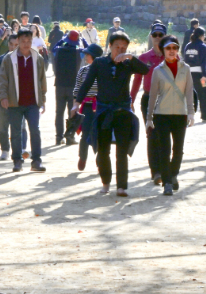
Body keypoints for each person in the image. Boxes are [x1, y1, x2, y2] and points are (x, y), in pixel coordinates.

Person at [73, 31, 148, 197]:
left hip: (122, 111)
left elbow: (145, 70)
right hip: (103, 110)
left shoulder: (128, 64)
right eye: (117, 47)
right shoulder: (99, 63)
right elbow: (86, 84)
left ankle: (121, 186)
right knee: (102, 149)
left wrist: (130, 57)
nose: (120, 50)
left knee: (122, 150)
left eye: (124, 48)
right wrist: (76, 103)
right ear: (109, 47)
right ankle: (105, 183)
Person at [146, 35, 195, 196]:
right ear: (163, 50)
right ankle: (167, 182)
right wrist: (149, 118)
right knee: (164, 149)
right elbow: (152, 96)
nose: (172, 51)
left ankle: (173, 174)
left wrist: (191, 113)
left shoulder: (185, 68)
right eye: (168, 48)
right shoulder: (158, 71)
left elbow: (189, 93)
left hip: (180, 114)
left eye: (174, 48)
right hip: (162, 115)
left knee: (178, 149)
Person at [0, 28, 48, 173]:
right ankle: (17, 160)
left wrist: (43, 99)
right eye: (23, 41)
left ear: (32, 41)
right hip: (15, 102)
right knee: (16, 132)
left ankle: (36, 161)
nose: (26, 44)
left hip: (33, 102)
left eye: (29, 41)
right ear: (18, 41)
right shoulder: (9, 58)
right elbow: (3, 79)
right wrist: (3, 97)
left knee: (35, 131)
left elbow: (42, 80)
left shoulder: (37, 58)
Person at [130, 22, 166, 184]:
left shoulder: (172, 55)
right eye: (155, 35)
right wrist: (130, 100)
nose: (157, 38)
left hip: (167, 99)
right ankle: (156, 172)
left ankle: (165, 169)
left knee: (165, 134)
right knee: (152, 134)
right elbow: (137, 79)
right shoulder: (144, 58)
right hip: (148, 99)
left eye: (161, 35)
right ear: (151, 37)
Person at [0, 34, 28, 160]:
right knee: (3, 125)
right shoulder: (0, 60)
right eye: (11, 44)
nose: (13, 47)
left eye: (16, 45)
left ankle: (22, 148)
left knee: (21, 125)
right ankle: (5, 149)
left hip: (21, 99)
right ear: (8, 44)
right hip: (3, 98)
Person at [71, 44, 103, 171]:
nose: (85, 57)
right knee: (85, 134)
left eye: (87, 54)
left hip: (101, 106)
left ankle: (101, 159)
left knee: (100, 134)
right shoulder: (83, 70)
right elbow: (77, 89)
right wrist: (75, 106)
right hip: (86, 106)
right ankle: (83, 157)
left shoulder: (104, 70)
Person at [53, 30, 83, 145]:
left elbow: (53, 48)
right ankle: (70, 136)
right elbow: (88, 48)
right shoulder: (78, 52)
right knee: (72, 112)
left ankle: (58, 137)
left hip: (60, 84)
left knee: (59, 112)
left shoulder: (58, 51)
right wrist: (82, 39)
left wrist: (63, 40)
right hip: (73, 85)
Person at [184, 27, 206, 122]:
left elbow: (185, 61)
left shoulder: (188, 46)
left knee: (190, 95)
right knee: (204, 94)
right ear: (202, 36)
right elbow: (203, 63)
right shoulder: (202, 46)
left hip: (189, 74)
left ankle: (187, 115)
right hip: (201, 74)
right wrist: (204, 75)